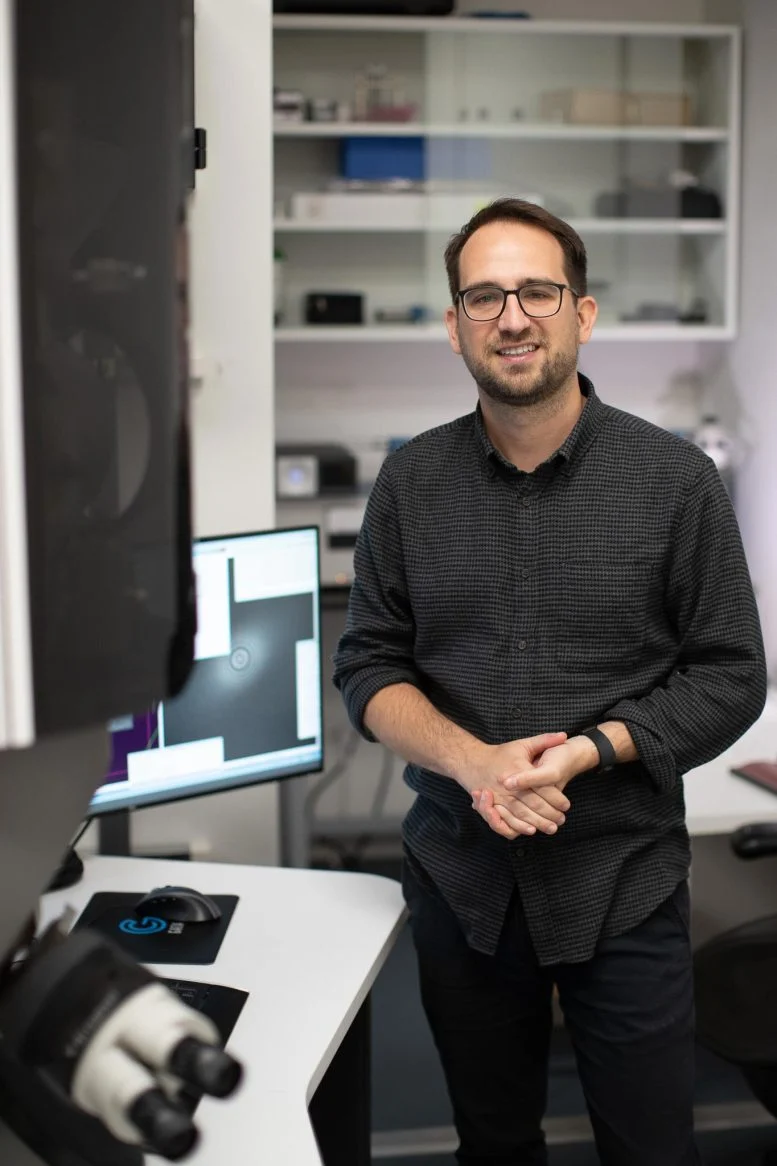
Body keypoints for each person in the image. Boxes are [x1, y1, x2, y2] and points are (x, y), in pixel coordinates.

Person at [332, 198, 767, 1166]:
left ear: (583, 313)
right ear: (454, 326)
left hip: (623, 879)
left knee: (651, 1150)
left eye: (537, 291)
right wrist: (474, 761)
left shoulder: (675, 482)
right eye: (483, 297)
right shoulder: (410, 485)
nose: (512, 317)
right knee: (493, 1145)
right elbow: (366, 663)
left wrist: (591, 749)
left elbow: (732, 672)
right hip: (463, 883)